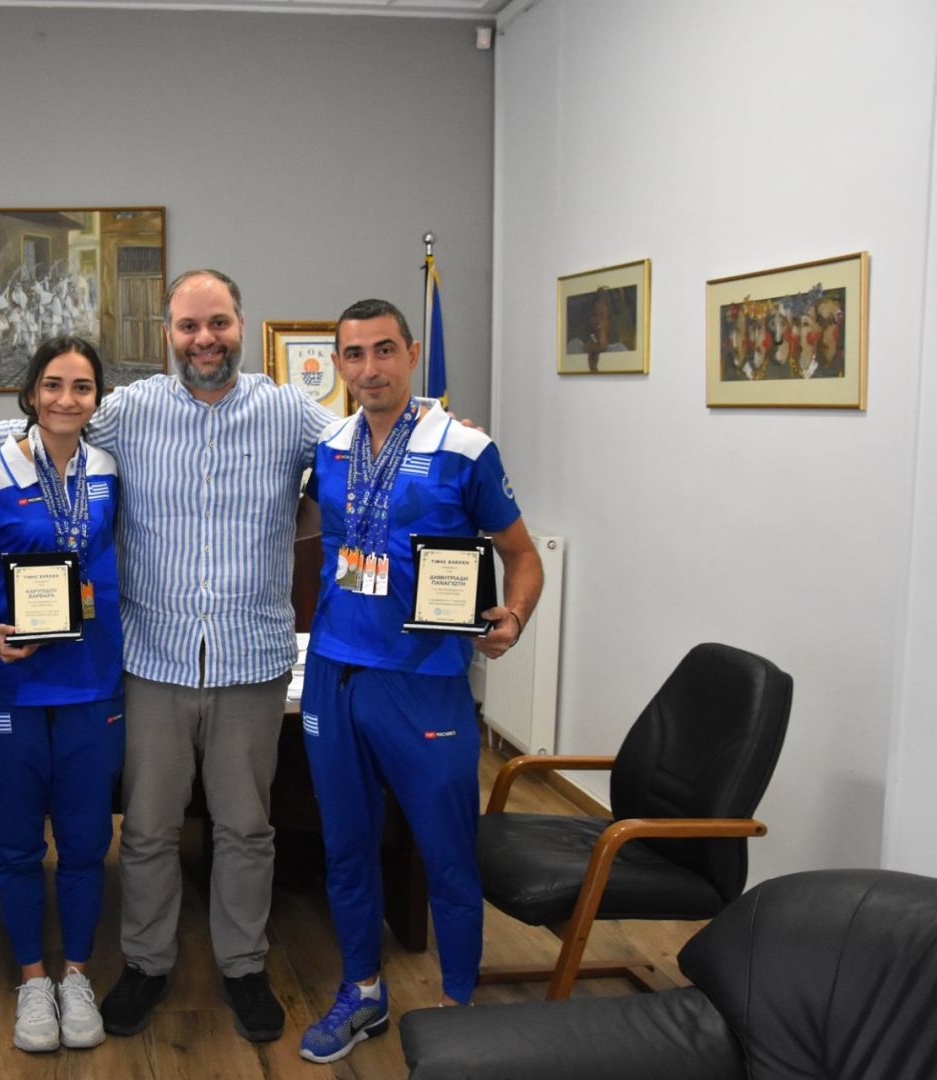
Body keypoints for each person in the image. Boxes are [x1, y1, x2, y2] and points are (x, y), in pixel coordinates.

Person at [0, 268, 338, 1044]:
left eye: (218, 323)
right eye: (188, 326)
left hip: (250, 658)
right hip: (153, 660)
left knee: (245, 827)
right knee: (148, 830)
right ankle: (145, 963)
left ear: (240, 324)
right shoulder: (129, 411)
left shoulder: (288, 411)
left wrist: (430, 422)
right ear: (167, 333)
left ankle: (243, 966)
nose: (204, 339)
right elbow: (47, 421)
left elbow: (360, 441)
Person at [295, 298, 543, 1064]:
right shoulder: (327, 446)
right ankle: (361, 990)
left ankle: (458, 1004)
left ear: (409, 353)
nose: (369, 368)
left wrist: (513, 616)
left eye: (383, 350)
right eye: (353, 354)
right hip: (335, 672)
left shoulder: (463, 446)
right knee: (345, 847)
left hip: (424, 678)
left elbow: (521, 555)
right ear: (338, 364)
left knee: (445, 852)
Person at [0, 335, 124, 1054]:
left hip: (90, 682)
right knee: (16, 842)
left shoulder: (108, 469)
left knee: (86, 840)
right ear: (29, 394)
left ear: (96, 399)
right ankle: (31, 979)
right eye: (52, 385)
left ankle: (76, 974)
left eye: (81, 387)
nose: (65, 399)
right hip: (11, 682)